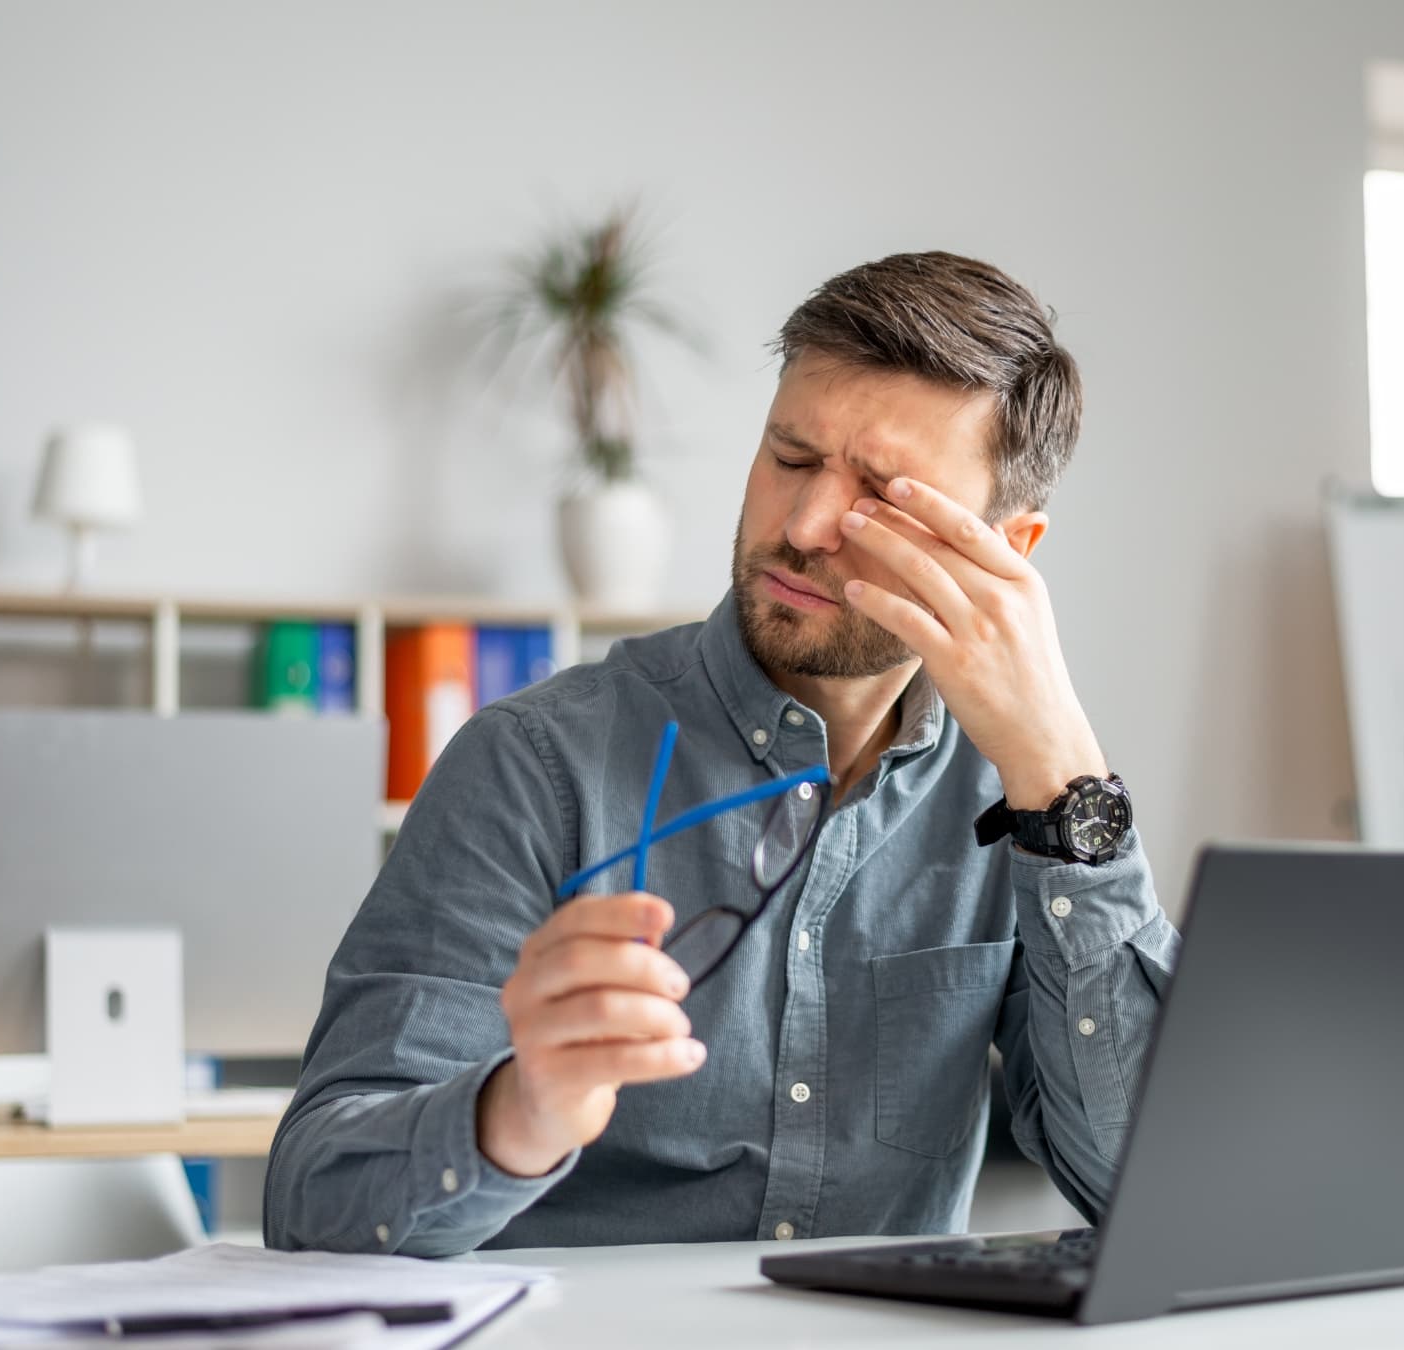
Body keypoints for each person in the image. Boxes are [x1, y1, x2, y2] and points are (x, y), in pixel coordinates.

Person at [264, 251, 1180, 1256]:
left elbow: (1161, 1199)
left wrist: (1065, 780)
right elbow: (316, 1203)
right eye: (790, 457)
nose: (802, 527)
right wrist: (519, 1112)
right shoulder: (532, 766)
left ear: (1008, 550)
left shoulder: (1017, 805)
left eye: (881, 495)